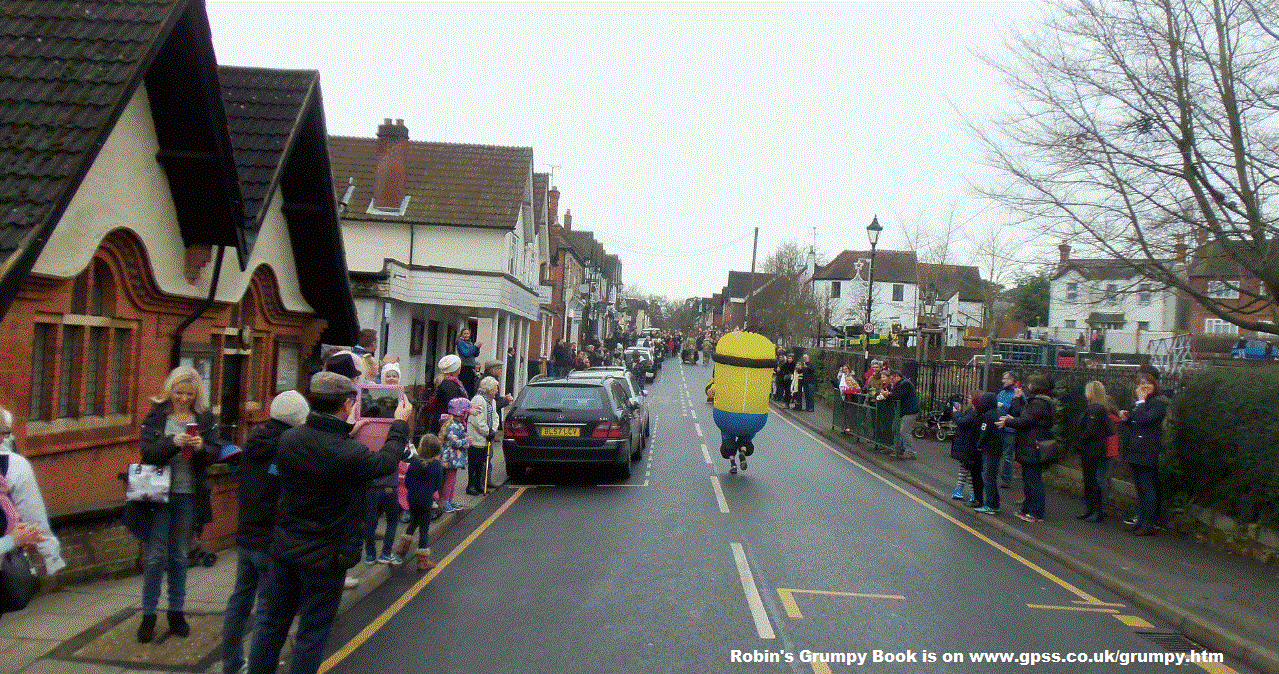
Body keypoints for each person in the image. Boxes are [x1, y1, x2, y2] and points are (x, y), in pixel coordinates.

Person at [246, 372, 412, 674]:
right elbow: (385, 463)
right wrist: (399, 425)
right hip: (326, 556)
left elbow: (321, 451)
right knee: (311, 635)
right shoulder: (348, 452)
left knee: (270, 625)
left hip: (285, 549)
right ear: (347, 404)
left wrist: (347, 433)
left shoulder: (289, 439)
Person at [221, 391, 309, 674]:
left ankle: (232, 664)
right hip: (270, 541)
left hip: (246, 536)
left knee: (239, 603)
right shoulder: (288, 450)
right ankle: (259, 667)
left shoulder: (252, 444)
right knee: (267, 612)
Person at [137, 366, 221, 643]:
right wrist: (172, 442)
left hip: (188, 495)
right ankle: (148, 616)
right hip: (159, 496)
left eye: (189, 394)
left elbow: (214, 453)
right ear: (170, 391)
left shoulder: (204, 419)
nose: (183, 398)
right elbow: (147, 452)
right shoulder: (157, 415)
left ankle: (176, 613)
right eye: (178, 393)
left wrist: (201, 448)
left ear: (197, 394)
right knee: (155, 557)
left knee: (180, 556)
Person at [997, 373, 1054, 523]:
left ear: (1035, 386)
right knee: (1029, 480)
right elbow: (1020, 414)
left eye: (1030, 383)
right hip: (1030, 445)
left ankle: (1036, 512)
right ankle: (1027, 509)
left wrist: (1008, 422)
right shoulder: (1037, 402)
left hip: (1033, 445)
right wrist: (1017, 399)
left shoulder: (1039, 403)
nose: (1028, 386)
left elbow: (1025, 421)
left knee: (1033, 481)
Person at [1119, 372, 1168, 536]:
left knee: (1148, 488)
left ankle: (1149, 523)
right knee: (1140, 488)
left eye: (1148, 383)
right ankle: (1141, 519)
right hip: (1135, 449)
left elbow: (1146, 420)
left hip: (1147, 450)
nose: (1144, 386)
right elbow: (1136, 423)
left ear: (1155, 386)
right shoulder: (1141, 403)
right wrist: (1126, 417)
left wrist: (1140, 402)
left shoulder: (1159, 404)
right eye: (1141, 383)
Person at [397, 434, 444, 571]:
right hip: (426, 500)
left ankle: (402, 549)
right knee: (424, 529)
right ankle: (422, 560)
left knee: (414, 521)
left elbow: (407, 482)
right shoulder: (436, 465)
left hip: (412, 498)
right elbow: (438, 485)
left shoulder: (415, 463)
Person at [1075, 381, 1119, 523]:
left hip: (1092, 448)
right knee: (1090, 480)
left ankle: (1096, 510)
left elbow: (1091, 430)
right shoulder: (1101, 408)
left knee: (1092, 480)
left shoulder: (1095, 409)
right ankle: (1091, 509)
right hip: (1095, 448)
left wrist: (1080, 441)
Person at [438, 397, 473, 513]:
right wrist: (466, 441)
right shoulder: (453, 425)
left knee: (452, 480)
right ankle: (446, 501)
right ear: (461, 413)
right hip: (450, 458)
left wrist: (466, 441)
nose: (467, 415)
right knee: (450, 480)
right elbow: (455, 442)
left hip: (454, 458)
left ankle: (451, 499)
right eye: (466, 412)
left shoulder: (458, 424)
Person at [467, 377, 500, 495]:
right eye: (495, 388)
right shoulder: (478, 399)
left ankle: (478, 484)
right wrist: (487, 432)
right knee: (474, 463)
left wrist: (493, 430)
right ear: (489, 389)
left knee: (482, 463)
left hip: (486, 437)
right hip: (476, 437)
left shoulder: (492, 401)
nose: (497, 390)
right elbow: (477, 420)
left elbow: (495, 417)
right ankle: (471, 485)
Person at [877, 368, 920, 459]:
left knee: (904, 431)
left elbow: (899, 396)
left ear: (897, 377)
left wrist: (888, 395)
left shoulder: (905, 384)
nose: (891, 381)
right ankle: (898, 448)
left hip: (910, 411)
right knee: (896, 428)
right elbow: (895, 395)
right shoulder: (900, 384)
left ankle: (910, 452)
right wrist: (889, 394)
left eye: (892, 379)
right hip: (903, 411)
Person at [995, 371, 1024, 488]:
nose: (1003, 381)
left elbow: (1019, 411)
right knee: (996, 452)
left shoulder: (1018, 394)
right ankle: (994, 475)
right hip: (999, 427)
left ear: (1011, 380)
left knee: (1008, 455)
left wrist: (1003, 405)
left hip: (1010, 429)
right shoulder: (1002, 393)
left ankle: (1006, 478)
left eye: (1005, 378)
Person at [430, 355, 467, 435]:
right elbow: (454, 405)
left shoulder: (451, 382)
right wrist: (469, 408)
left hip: (447, 423)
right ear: (457, 369)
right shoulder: (449, 385)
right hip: (446, 425)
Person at [456, 328, 482, 396]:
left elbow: (475, 354)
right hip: (464, 366)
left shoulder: (470, 343)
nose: (466, 335)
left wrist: (477, 348)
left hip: (471, 367)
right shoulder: (460, 342)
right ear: (461, 335)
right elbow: (466, 353)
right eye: (465, 334)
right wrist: (475, 347)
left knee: (471, 387)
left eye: (468, 333)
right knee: (466, 386)